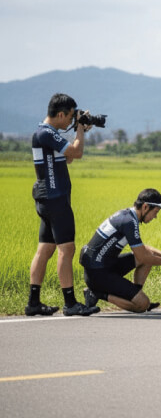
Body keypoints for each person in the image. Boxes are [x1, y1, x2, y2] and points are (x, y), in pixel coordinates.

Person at [26, 93, 99, 317]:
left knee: (45, 249)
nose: (70, 121)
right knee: (66, 249)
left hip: (48, 198)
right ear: (60, 114)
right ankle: (70, 303)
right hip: (55, 198)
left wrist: (79, 130)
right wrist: (80, 130)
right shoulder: (46, 133)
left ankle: (33, 303)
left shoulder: (47, 134)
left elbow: (68, 157)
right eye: (70, 117)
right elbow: (77, 152)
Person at [79, 189, 161, 313]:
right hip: (97, 274)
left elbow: (142, 249)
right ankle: (96, 293)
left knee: (149, 255)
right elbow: (143, 257)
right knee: (143, 304)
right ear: (145, 207)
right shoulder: (129, 222)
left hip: (104, 266)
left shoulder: (127, 216)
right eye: (155, 212)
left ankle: (135, 294)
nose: (155, 217)